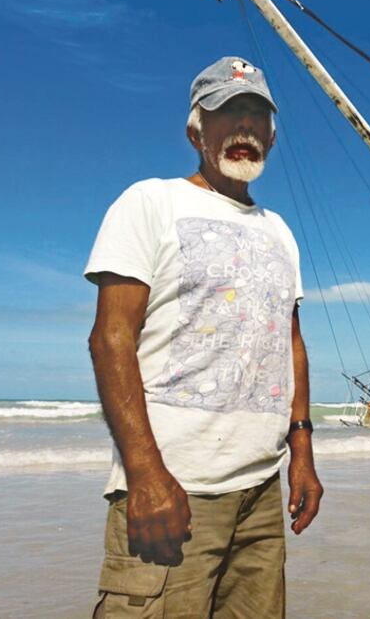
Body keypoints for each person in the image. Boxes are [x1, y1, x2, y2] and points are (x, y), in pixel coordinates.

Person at [85, 56, 323, 618]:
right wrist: (145, 475)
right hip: (173, 487)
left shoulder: (280, 232)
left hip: (261, 492)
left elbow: (289, 344)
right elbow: (110, 338)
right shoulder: (151, 201)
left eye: (256, 115)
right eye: (227, 113)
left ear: (271, 134)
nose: (243, 128)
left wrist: (302, 453)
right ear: (196, 131)